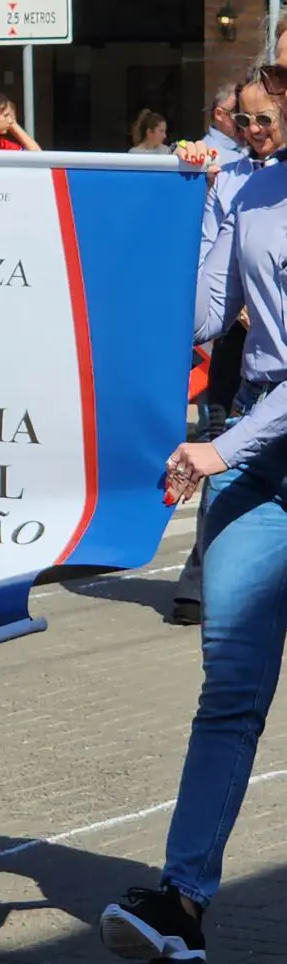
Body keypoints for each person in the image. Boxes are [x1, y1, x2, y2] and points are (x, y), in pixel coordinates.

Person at [99, 104, 287, 964]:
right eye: (250, 110)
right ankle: (182, 906)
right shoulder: (256, 190)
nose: (256, 122)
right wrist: (199, 202)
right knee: (230, 692)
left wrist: (222, 447)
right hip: (262, 461)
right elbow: (208, 319)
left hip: (246, 445)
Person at [172, 72, 283, 623]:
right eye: (247, 119)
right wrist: (179, 195)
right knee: (228, 630)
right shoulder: (240, 181)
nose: (259, 127)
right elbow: (207, 303)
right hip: (247, 377)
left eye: (268, 114)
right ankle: (197, 588)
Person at [201, 84, 244, 164]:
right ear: (219, 114)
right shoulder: (206, 154)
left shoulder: (248, 146)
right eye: (237, 112)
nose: (243, 119)